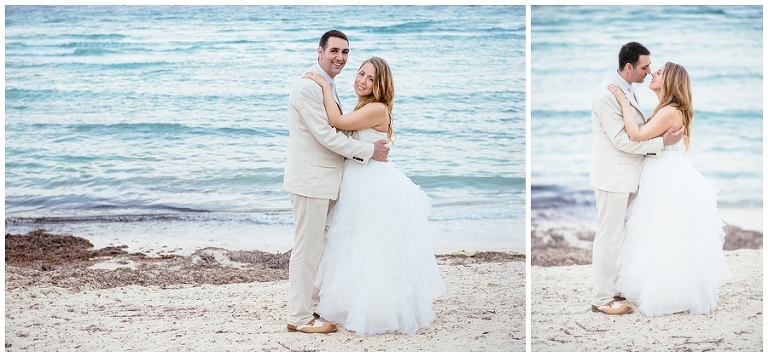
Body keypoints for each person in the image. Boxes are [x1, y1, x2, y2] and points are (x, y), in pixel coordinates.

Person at [302, 56, 445, 336]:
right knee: (355, 245)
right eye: (360, 74)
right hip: (359, 180)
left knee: (371, 246)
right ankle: (352, 303)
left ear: (380, 85)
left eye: (370, 78)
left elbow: (336, 120)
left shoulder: (377, 108)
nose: (362, 81)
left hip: (370, 185)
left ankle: (376, 310)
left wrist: (323, 83)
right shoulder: (367, 106)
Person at [283, 30, 391, 334]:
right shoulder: (308, 88)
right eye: (334, 51)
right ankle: (299, 317)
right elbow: (327, 136)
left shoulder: (328, 86)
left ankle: (311, 306)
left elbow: (338, 130)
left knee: (318, 248)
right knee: (306, 248)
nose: (340, 58)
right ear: (320, 52)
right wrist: (368, 151)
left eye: (345, 52)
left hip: (325, 180)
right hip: (310, 181)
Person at [607, 62, 731, 316]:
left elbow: (636, 135)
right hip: (665, 174)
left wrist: (621, 100)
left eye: (659, 72)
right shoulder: (668, 109)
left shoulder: (670, 110)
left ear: (671, 81)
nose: (652, 73)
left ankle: (669, 294)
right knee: (664, 234)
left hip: (666, 178)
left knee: (664, 235)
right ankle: (667, 289)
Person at [589, 42, 684, 315]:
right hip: (613, 177)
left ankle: (613, 287)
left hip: (626, 176)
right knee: (608, 237)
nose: (649, 71)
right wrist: (660, 142)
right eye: (645, 67)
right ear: (629, 67)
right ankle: (601, 298)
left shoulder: (626, 89)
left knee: (621, 236)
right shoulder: (608, 94)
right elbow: (622, 141)